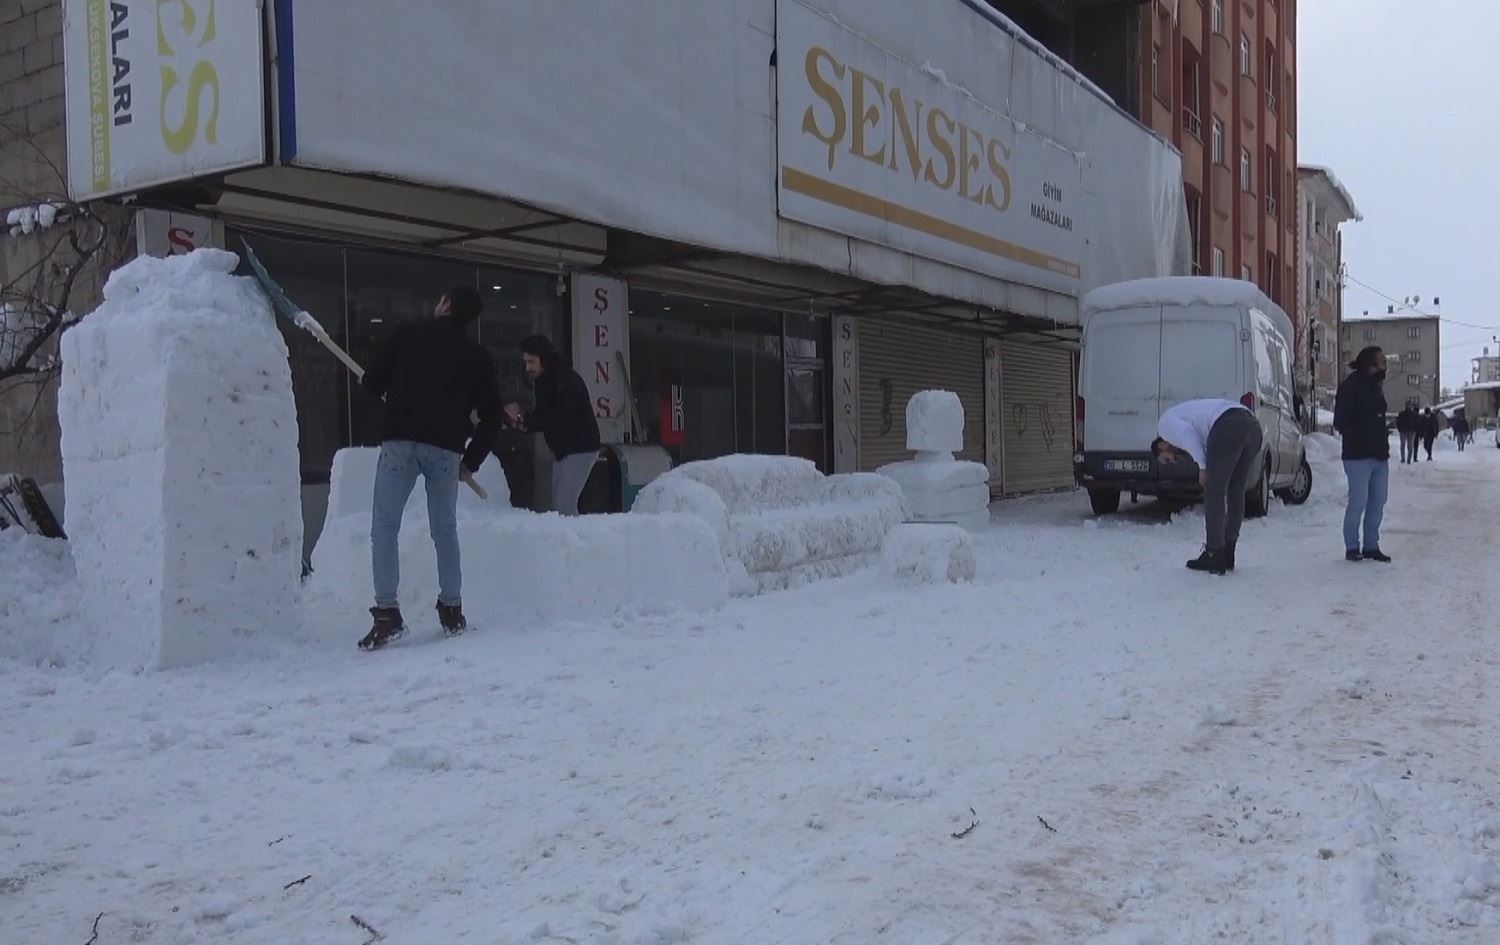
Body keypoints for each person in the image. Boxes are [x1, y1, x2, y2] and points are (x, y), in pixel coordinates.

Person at [357, 286, 503, 650]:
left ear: (445, 305)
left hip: (400, 441)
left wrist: (378, 385)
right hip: (445, 449)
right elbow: (492, 417)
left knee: (385, 527)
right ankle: (451, 608)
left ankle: (387, 613)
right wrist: (471, 460)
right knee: (444, 527)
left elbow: (373, 383)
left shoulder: (406, 334)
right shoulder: (477, 357)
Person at [1151, 398, 1263, 575]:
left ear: (1162, 445)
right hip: (1252, 426)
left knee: (1213, 490)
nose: (1172, 461)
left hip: (1227, 425)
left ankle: (1214, 552)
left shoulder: (1164, 425)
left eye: (1166, 458)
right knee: (1236, 489)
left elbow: (1187, 433)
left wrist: (1202, 467)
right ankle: (1228, 551)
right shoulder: (1186, 415)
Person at [505, 335, 601, 515]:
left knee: (564, 503)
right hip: (563, 450)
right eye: (526, 362)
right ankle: (566, 538)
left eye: (531, 362)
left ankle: (572, 540)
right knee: (560, 503)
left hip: (581, 448)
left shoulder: (565, 380)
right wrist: (521, 421)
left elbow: (557, 417)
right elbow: (544, 416)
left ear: (544, 357)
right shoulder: (545, 381)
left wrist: (525, 420)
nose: (528, 368)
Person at [1333, 346, 1391, 563]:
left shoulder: (1376, 387)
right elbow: (1340, 421)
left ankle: (1371, 545)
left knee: (1378, 501)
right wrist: (1362, 427)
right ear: (1371, 365)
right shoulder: (1350, 387)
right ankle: (1351, 546)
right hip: (1357, 456)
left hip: (1379, 455)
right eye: (1383, 362)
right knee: (1358, 502)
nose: (1386, 366)